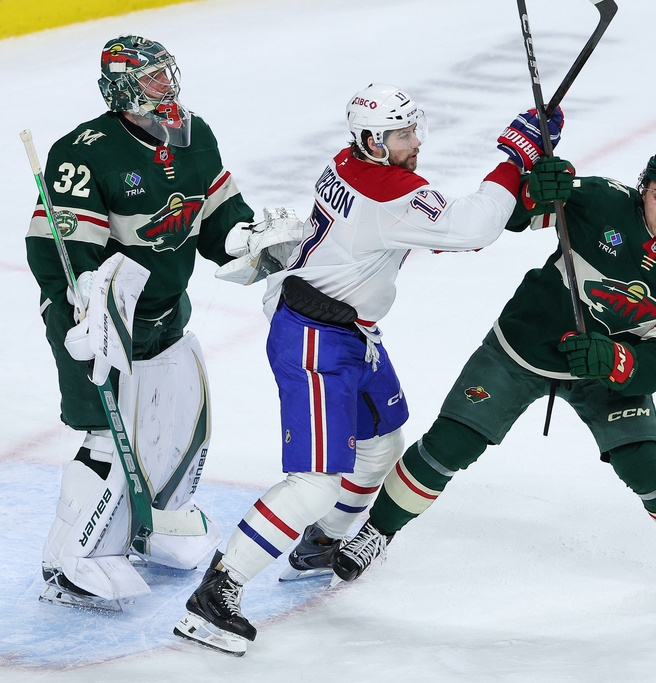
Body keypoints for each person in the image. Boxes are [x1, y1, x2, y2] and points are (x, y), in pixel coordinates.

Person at [172, 83, 567, 656]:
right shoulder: (384, 188)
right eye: (401, 136)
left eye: (413, 131)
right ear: (370, 141)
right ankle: (217, 592)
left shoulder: (355, 167)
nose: (414, 144)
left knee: (382, 443)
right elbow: (466, 229)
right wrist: (515, 159)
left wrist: (523, 198)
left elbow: (439, 223)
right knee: (315, 482)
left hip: (349, 330)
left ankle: (320, 545)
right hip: (314, 339)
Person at [331, 142, 656, 604]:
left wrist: (616, 361)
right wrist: (535, 189)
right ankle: (377, 532)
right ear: (643, 190)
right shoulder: (601, 199)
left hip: (603, 371)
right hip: (523, 345)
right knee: (450, 443)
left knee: (645, 464)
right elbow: (519, 215)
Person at [26, 35, 301, 611]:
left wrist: (253, 243)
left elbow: (220, 219)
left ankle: (158, 522)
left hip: (165, 311)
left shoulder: (194, 134)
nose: (167, 86)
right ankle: (71, 558)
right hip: (96, 318)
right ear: (123, 87)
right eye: (152, 78)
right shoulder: (83, 152)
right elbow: (67, 254)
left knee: (177, 421)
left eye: (167, 73)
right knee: (106, 435)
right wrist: (82, 307)